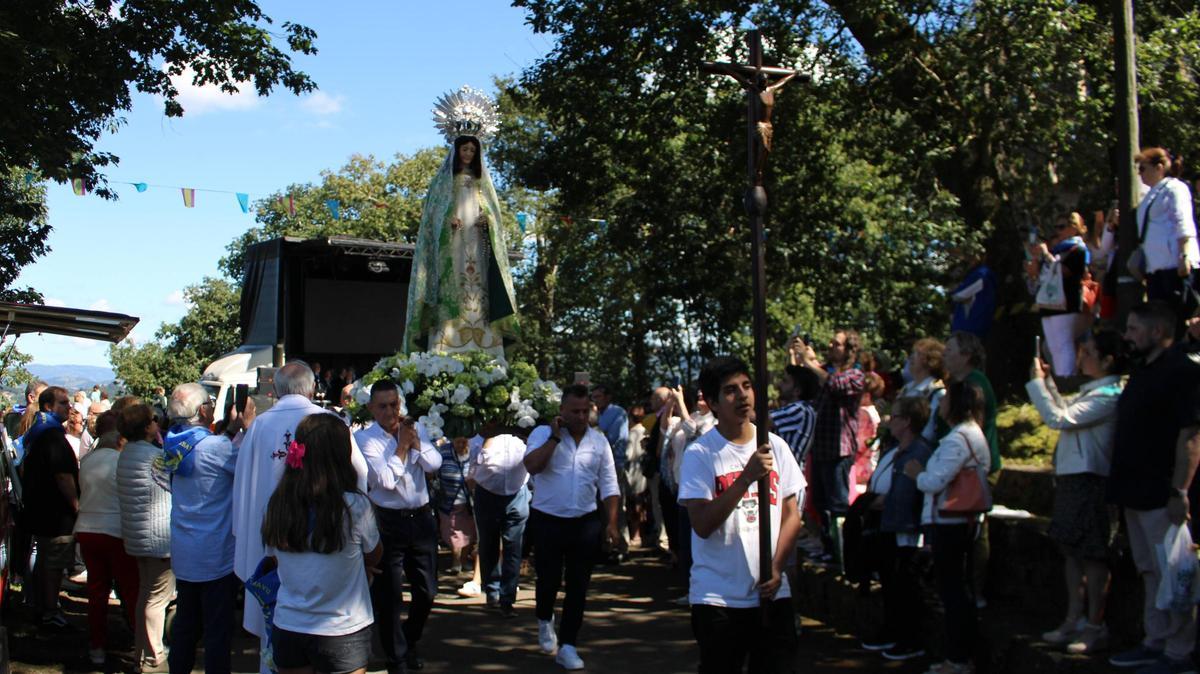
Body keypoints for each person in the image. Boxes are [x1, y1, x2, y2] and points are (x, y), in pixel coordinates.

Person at [232, 360, 370, 673]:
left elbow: (241, 489)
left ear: (276, 389)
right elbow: (360, 476)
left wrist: (245, 533)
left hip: (274, 541)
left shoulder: (259, 426)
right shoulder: (328, 422)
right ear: (312, 388)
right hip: (329, 541)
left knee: (277, 630)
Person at [678, 356, 804, 673]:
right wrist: (746, 478)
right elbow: (702, 524)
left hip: (772, 593)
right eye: (731, 390)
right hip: (718, 598)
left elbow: (792, 515)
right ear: (713, 403)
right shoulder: (700, 454)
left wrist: (777, 566)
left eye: (747, 386)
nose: (743, 395)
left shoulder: (775, 447)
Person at [1107, 302, 1200, 672]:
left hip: (1163, 492)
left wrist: (1180, 491)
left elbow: (1190, 436)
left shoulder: (1182, 372)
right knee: (1149, 570)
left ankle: (1179, 652)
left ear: (1158, 332)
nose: (1127, 336)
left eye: (1134, 329)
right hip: (1134, 489)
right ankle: (1155, 640)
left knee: (1173, 574)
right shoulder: (1142, 369)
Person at [1027, 330, 1125, 655]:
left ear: (1107, 361)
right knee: (1070, 550)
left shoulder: (1109, 395)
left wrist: (1037, 384)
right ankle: (1073, 618)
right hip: (1072, 479)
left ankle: (1095, 625)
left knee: (1094, 554)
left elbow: (1059, 418)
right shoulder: (1092, 392)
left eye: (1089, 353)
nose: (1081, 358)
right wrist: (1048, 382)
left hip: (1091, 481)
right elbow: (1064, 408)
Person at [262, 413, 383, 674]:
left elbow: (273, 557)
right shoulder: (355, 505)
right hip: (342, 627)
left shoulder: (278, 504)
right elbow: (375, 554)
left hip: (290, 623)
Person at [403, 88, 519, 358]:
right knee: (453, 283)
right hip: (453, 243)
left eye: (472, 150)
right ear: (456, 150)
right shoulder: (443, 183)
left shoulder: (482, 184)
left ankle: (485, 342)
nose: (468, 153)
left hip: (477, 243)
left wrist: (487, 220)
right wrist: (446, 221)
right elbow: (432, 217)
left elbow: (495, 217)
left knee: (479, 285)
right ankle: (448, 339)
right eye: (465, 149)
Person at [523, 384, 621, 670]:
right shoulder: (542, 434)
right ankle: (544, 618)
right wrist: (554, 438)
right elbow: (532, 466)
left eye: (585, 411)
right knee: (548, 581)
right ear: (562, 411)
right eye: (574, 411)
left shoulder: (599, 441)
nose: (580, 417)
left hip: (585, 522)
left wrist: (612, 523)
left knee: (579, 586)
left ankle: (568, 645)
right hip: (547, 520)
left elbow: (609, 485)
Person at [354, 379, 442, 673]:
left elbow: (434, 464)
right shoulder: (365, 439)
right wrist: (403, 447)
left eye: (394, 405)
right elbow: (385, 481)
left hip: (421, 518)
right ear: (371, 408)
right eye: (383, 406)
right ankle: (397, 659)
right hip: (387, 521)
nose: (390, 412)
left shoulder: (414, 429)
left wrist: (415, 442)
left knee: (427, 590)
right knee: (389, 596)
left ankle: (409, 639)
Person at [905, 381, 992, 674]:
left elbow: (935, 481)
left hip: (950, 521)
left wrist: (918, 474)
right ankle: (960, 657)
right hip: (959, 521)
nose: (940, 404)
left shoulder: (959, 439)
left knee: (952, 591)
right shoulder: (969, 434)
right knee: (957, 590)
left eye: (945, 400)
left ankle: (957, 659)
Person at [164, 383, 251, 674]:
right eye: (210, 403)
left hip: (185, 550)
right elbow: (246, 466)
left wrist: (231, 429)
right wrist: (248, 427)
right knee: (217, 631)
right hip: (215, 554)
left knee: (186, 625)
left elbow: (207, 451)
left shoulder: (172, 442)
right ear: (203, 411)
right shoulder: (216, 447)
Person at [861, 396, 934, 661]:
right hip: (891, 525)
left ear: (907, 422)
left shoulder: (919, 452)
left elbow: (916, 492)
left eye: (896, 416)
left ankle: (910, 640)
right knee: (892, 584)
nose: (890, 420)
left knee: (907, 587)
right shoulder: (899, 449)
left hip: (909, 529)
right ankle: (893, 631)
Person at [75, 411, 137, 665]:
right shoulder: (120, 461)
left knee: (97, 592)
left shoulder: (88, 460)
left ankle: (97, 646)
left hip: (88, 528)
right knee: (131, 589)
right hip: (115, 530)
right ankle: (141, 643)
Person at [798, 329, 866, 560]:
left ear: (849, 349)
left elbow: (835, 383)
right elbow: (805, 384)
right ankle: (828, 549)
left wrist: (810, 363)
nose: (831, 346)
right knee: (820, 504)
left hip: (840, 449)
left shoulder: (855, 374)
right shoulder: (824, 370)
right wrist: (801, 359)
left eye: (836, 344)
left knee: (838, 505)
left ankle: (843, 555)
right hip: (820, 448)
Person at [115, 401, 173, 673]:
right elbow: (174, 481)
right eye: (153, 420)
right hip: (159, 538)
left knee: (145, 595)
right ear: (146, 426)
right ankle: (154, 656)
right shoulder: (154, 458)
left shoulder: (126, 454)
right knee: (157, 599)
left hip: (137, 535)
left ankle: (142, 651)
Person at [18, 385, 79, 629]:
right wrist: (76, 504)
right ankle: (50, 611)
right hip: (55, 514)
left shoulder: (38, 432)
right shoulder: (52, 436)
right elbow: (62, 475)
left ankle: (42, 606)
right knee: (53, 564)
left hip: (41, 510)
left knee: (45, 561)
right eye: (63, 403)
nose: (69, 407)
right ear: (47, 406)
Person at [468, 424, 530, 618]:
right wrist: (488, 437)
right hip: (488, 493)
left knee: (513, 547)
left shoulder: (522, 431)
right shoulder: (480, 435)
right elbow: (475, 464)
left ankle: (507, 598)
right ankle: (492, 592)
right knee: (489, 544)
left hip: (517, 493)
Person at [1134, 148, 1198, 324]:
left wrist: (1184, 255)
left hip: (1174, 266)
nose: (1140, 174)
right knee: (1161, 322)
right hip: (1156, 269)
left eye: (1143, 168)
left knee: (1178, 318)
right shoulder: (1151, 194)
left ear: (1159, 167)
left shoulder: (1175, 188)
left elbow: (1183, 221)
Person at [1028, 212, 1092, 376]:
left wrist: (1046, 255)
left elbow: (1065, 271)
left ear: (1074, 228)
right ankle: (1061, 378)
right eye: (1056, 228)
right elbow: (1039, 275)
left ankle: (1067, 379)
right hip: (1048, 304)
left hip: (1066, 304)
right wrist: (1035, 260)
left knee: (1064, 345)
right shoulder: (1057, 250)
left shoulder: (1078, 249)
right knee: (1053, 347)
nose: (1058, 231)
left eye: (1062, 227)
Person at [591, 383, 629, 555]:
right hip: (594, 468)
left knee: (615, 507)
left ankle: (621, 546)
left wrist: (595, 429)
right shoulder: (595, 413)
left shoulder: (618, 413)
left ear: (608, 397)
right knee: (600, 509)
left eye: (598, 397)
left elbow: (613, 440)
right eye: (593, 397)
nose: (595, 400)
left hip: (614, 465)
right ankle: (605, 547)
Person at [436, 436, 478, 576]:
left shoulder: (474, 452)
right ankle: (456, 561)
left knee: (468, 533)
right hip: (447, 501)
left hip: (469, 503)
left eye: (463, 442)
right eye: (457, 441)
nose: (460, 445)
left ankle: (462, 560)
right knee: (452, 533)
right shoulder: (443, 452)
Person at [899, 337, 947, 442]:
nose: (911, 357)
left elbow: (928, 432)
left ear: (931, 360)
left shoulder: (937, 393)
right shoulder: (906, 389)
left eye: (918, 354)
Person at [949, 249, 997, 340]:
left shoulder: (981, 273)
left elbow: (959, 296)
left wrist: (955, 290)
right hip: (969, 327)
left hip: (970, 328)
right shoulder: (976, 274)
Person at [624, 401, 650, 546]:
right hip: (644, 473)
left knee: (634, 504)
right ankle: (642, 534)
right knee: (642, 503)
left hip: (634, 474)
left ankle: (636, 535)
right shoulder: (645, 430)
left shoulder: (632, 433)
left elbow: (627, 455)